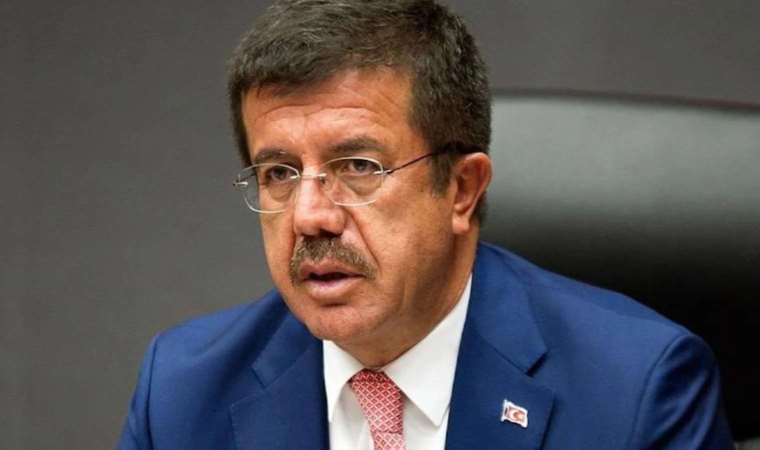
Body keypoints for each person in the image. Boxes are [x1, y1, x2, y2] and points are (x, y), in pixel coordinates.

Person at [118, 1, 734, 449]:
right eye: (279, 172)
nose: (309, 215)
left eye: (358, 167)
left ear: (462, 189)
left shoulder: (637, 390)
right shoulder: (183, 390)